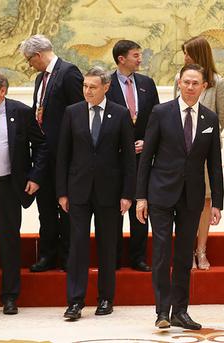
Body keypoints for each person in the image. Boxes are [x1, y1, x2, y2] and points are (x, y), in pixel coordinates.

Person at [135, 64, 223, 330]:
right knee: (162, 253)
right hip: (160, 193)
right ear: (179, 83)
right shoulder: (161, 113)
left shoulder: (209, 118)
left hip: (192, 197)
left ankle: (180, 312)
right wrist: (141, 197)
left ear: (204, 86)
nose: (190, 87)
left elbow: (214, 164)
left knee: (185, 255)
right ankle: (162, 311)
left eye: (196, 83)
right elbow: (146, 157)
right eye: (186, 82)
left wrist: (217, 202)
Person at [56, 66, 136, 320]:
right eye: (85, 86)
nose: (87, 91)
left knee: (107, 247)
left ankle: (105, 298)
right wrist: (62, 192)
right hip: (78, 191)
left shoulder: (121, 114)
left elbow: (128, 161)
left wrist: (127, 193)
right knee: (78, 246)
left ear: (106, 87)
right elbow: (63, 156)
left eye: (92, 87)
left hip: (110, 193)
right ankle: (75, 302)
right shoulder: (72, 113)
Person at [0, 72, 47, 315]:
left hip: (7, 188)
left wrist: (35, 177)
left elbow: (42, 146)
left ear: (2, 90)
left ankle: (9, 297)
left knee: (9, 244)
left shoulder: (20, 112)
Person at [19, 34, 84, 272]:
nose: (29, 65)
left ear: (38, 55)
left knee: (65, 209)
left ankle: (68, 256)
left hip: (65, 156)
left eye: (29, 59)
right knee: (45, 208)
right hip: (44, 155)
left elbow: (79, 114)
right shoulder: (40, 79)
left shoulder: (69, 72)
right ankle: (47, 255)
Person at [174, 36, 224, 270]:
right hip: (180, 151)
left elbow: (222, 115)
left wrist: (204, 138)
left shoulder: (218, 82)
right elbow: (172, 112)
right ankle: (185, 251)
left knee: (205, 201)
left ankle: (201, 250)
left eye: (188, 53)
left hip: (205, 152)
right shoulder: (180, 78)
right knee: (182, 199)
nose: (185, 57)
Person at [106, 39, 160, 272]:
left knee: (140, 206)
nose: (140, 59)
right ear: (121, 59)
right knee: (114, 208)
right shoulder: (106, 84)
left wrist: (148, 143)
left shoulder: (147, 83)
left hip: (142, 159)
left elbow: (157, 118)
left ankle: (138, 257)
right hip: (114, 159)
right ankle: (114, 257)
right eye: (136, 55)